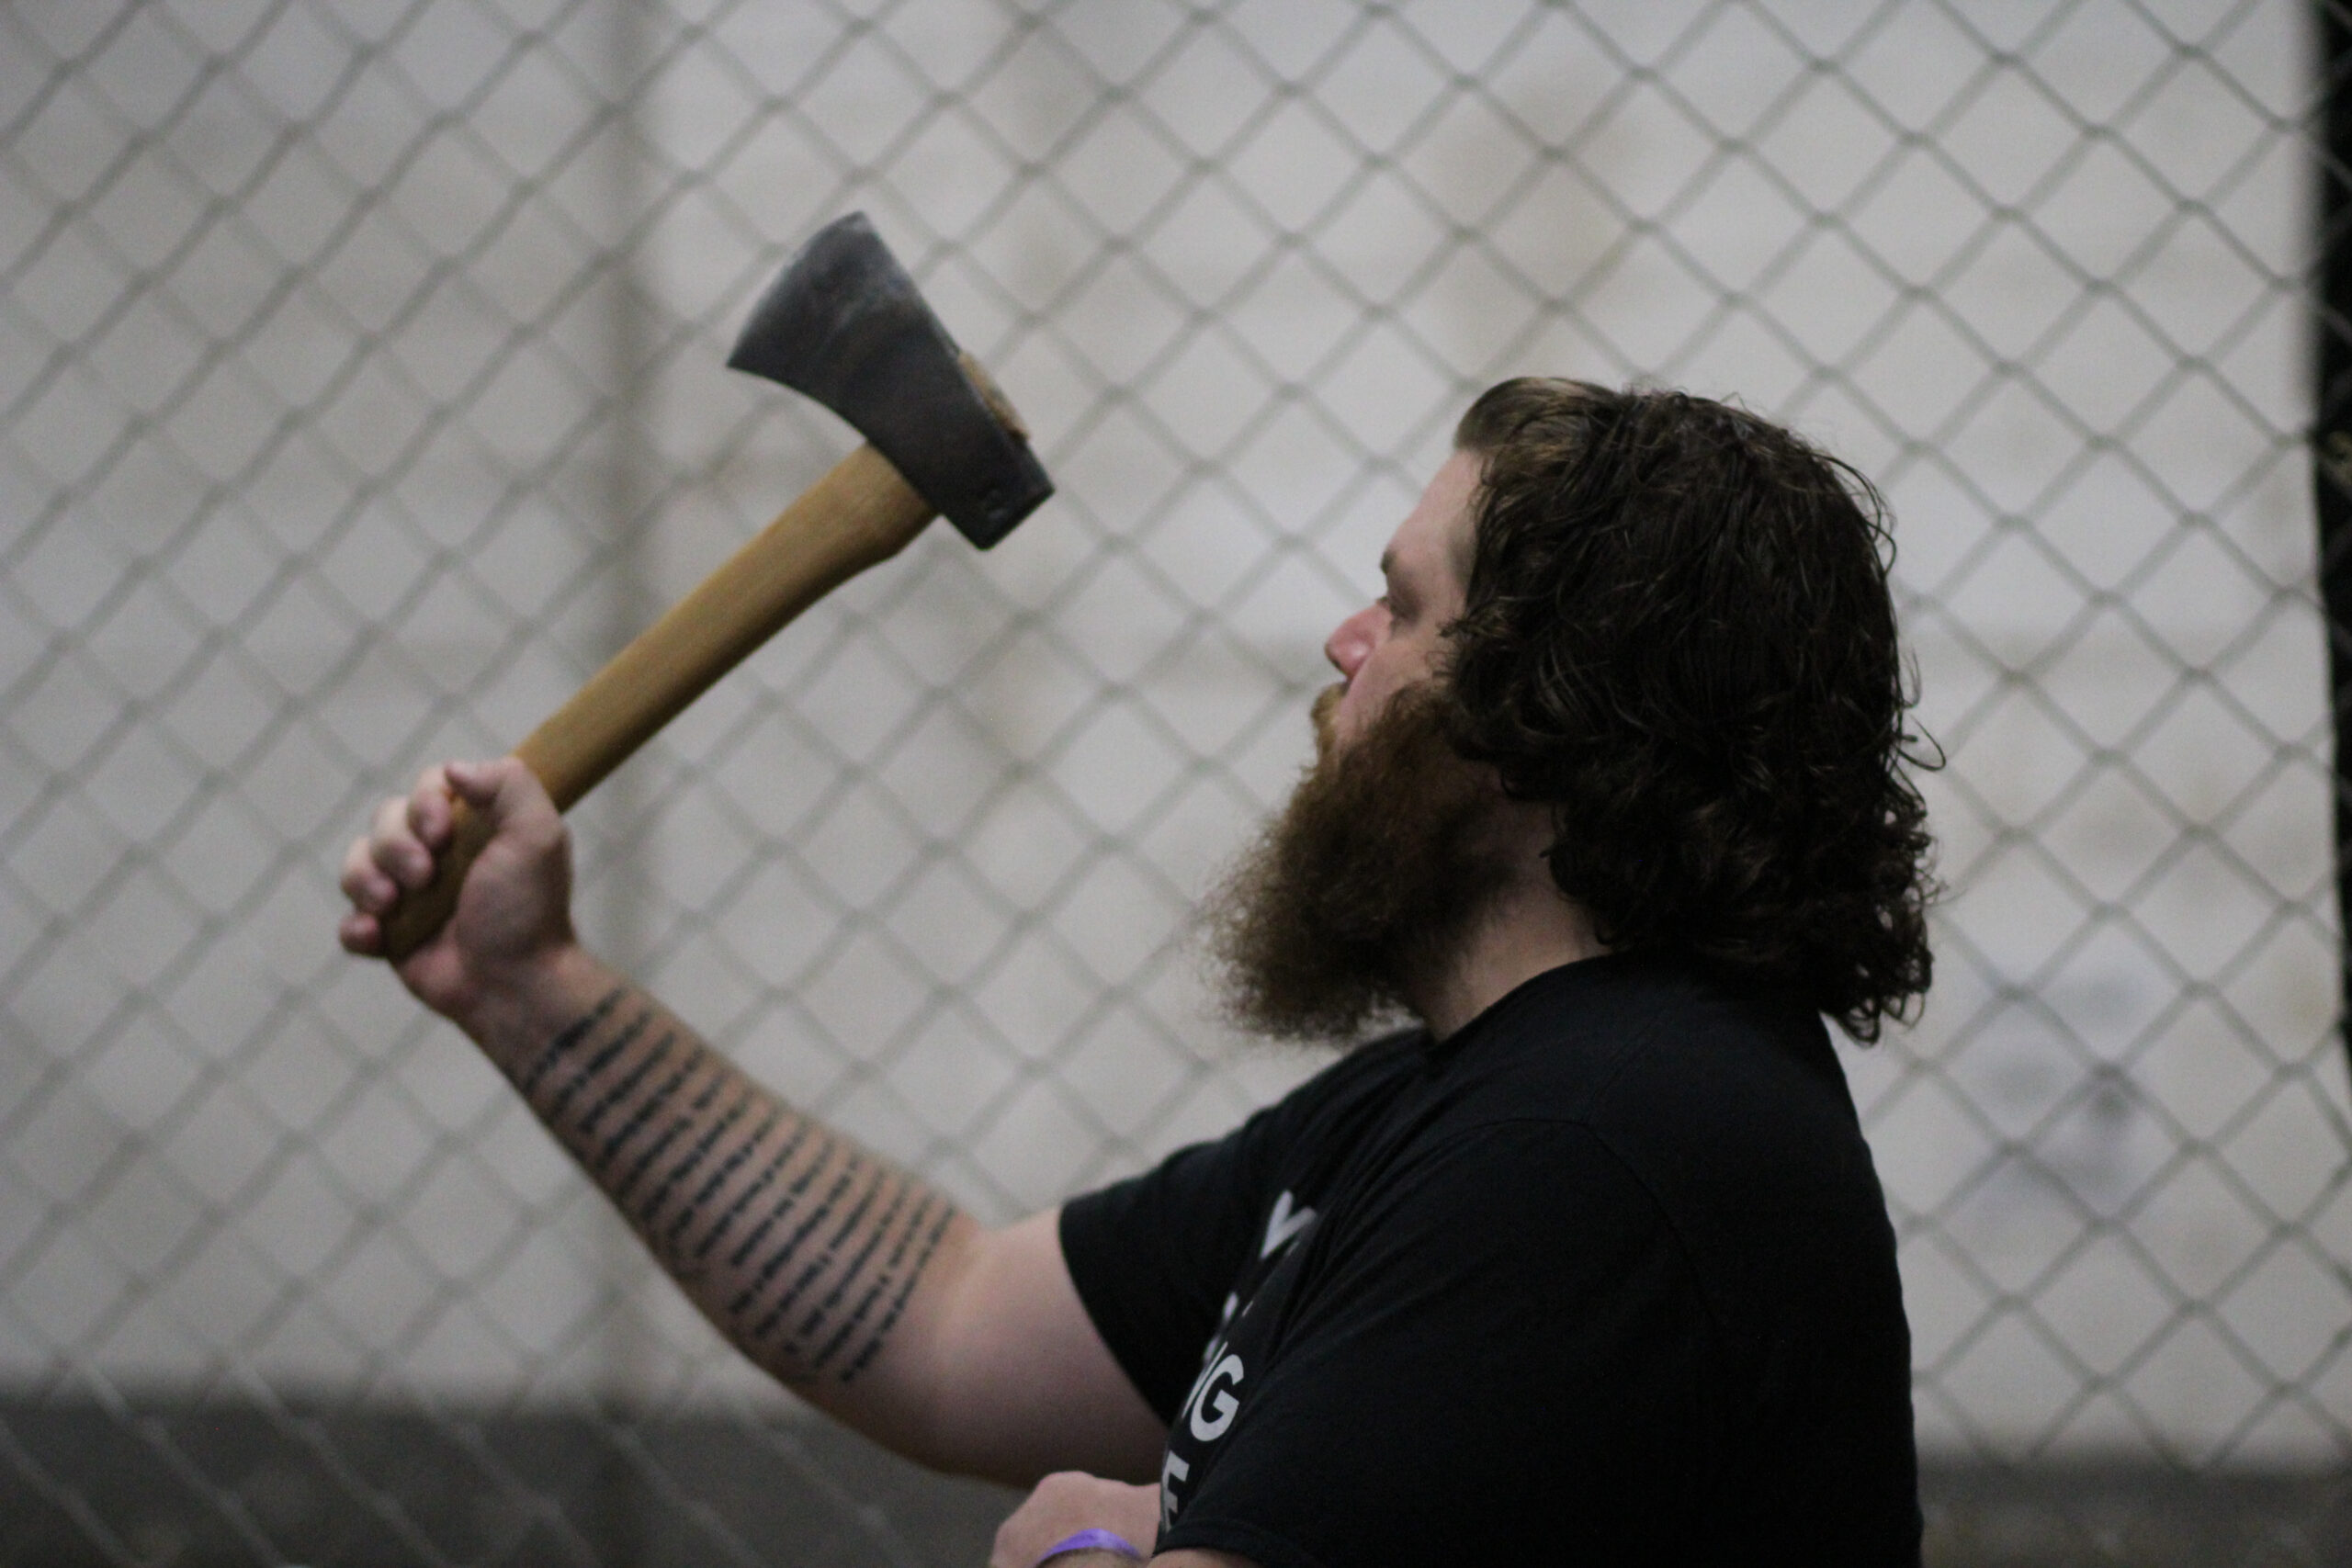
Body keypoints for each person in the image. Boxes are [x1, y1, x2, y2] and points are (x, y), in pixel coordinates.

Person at [341, 378, 1937, 1567]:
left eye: (1403, 605)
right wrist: (527, 988)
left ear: (1551, 722)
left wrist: (1093, 1554)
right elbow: (947, 1326)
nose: (1345, 640)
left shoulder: (1597, 1158)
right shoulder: (1458, 1111)